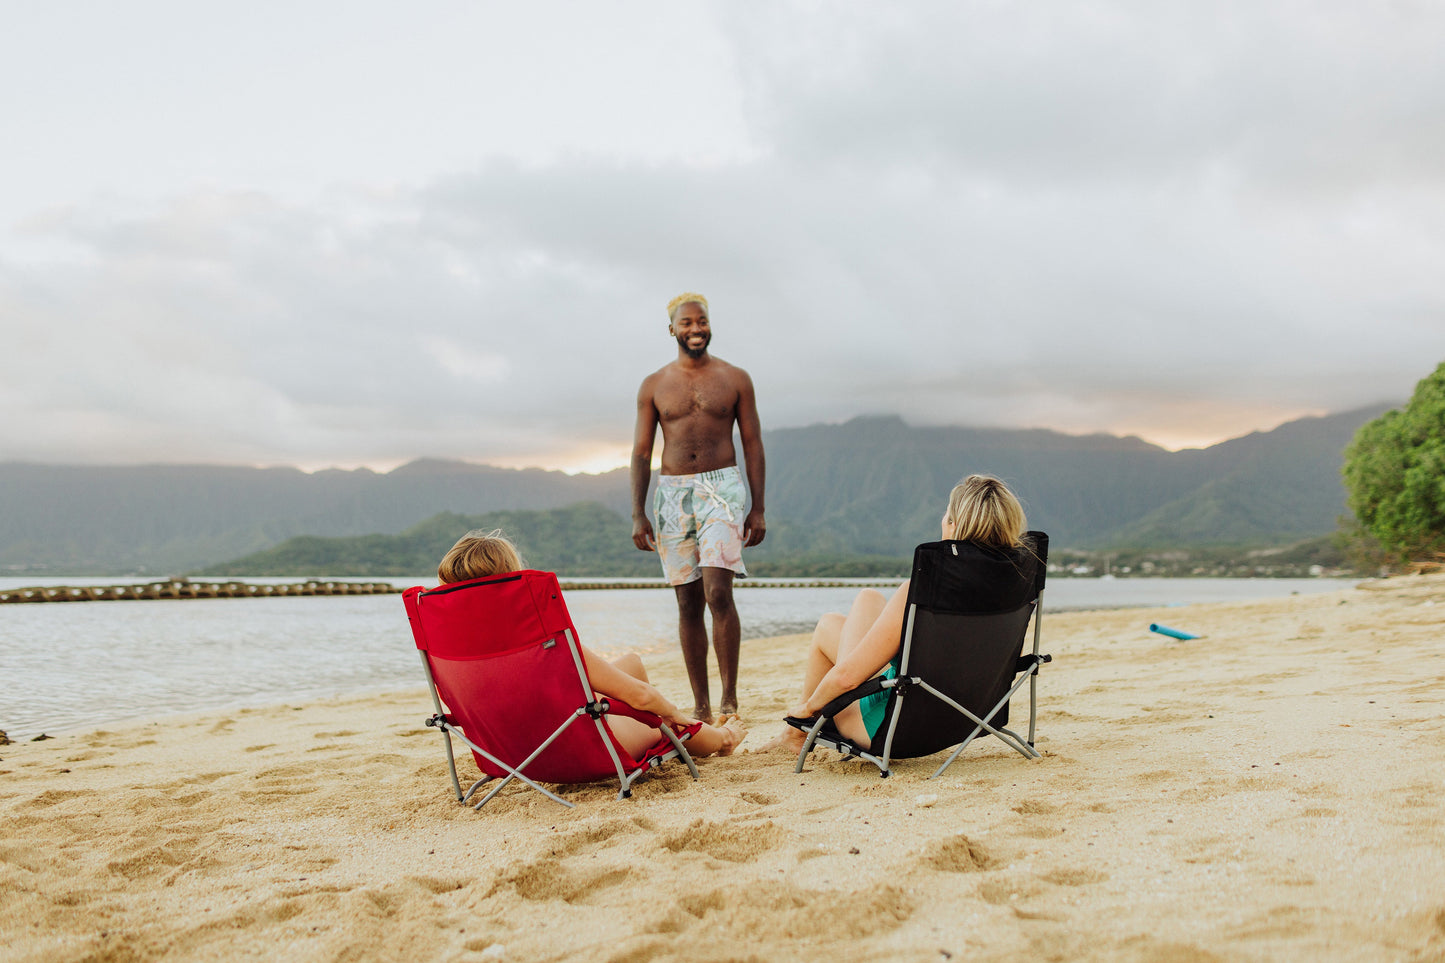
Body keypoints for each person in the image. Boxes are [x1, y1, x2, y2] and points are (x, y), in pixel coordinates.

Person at [755, 475, 1031, 754]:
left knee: (830, 624)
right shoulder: (1016, 584)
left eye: (946, 514)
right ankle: (794, 735)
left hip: (895, 729)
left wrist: (807, 707)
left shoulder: (924, 590)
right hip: (968, 719)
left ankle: (796, 732)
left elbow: (848, 679)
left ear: (953, 524)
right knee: (868, 599)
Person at [437, 528, 746, 758]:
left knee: (631, 664)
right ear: (512, 579)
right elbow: (640, 696)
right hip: (573, 751)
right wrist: (675, 714)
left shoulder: (449, 645)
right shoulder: (536, 635)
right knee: (660, 719)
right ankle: (723, 740)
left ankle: (692, 732)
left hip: (506, 753)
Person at [631, 292, 766, 724]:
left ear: (710, 325)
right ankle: (701, 706)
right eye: (686, 323)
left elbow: (752, 444)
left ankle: (729, 701)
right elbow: (639, 452)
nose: (695, 329)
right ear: (672, 329)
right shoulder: (654, 385)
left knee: (718, 592)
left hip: (722, 488)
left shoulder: (736, 378)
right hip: (671, 494)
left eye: (701, 322)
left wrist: (758, 507)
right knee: (688, 604)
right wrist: (638, 512)